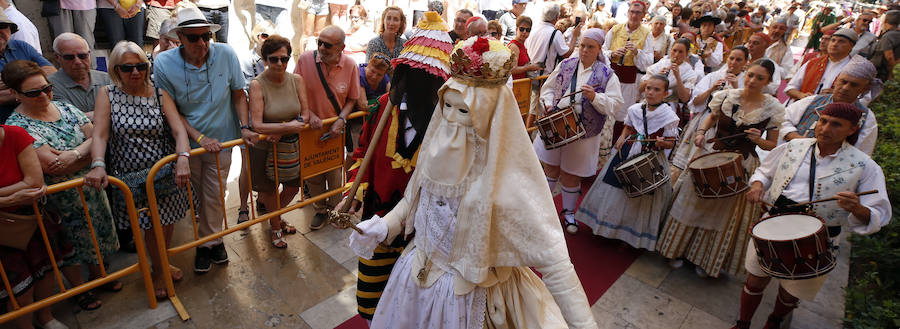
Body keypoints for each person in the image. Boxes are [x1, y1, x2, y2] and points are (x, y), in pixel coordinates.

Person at [349, 36, 598, 329]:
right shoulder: (436, 149)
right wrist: (384, 226)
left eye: (463, 111)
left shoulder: (510, 180)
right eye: (448, 107)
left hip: (468, 298)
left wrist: (584, 325)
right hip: (415, 277)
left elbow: (554, 262)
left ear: (490, 116)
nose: (451, 118)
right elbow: (413, 200)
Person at [734, 103, 892, 329]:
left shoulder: (865, 166)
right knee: (755, 279)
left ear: (852, 129)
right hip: (774, 222)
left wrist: (856, 208)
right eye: (823, 120)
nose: (825, 128)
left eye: (836, 124)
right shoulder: (793, 146)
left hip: (818, 238)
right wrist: (757, 186)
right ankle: (742, 323)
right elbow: (764, 171)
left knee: (791, 293)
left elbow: (879, 214)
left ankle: (774, 322)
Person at [340, 11, 451, 322]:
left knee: (409, 306)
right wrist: (355, 193)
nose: (420, 82)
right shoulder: (382, 108)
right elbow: (361, 153)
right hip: (376, 218)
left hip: (421, 232)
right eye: (412, 73)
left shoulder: (449, 120)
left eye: (429, 77)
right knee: (372, 302)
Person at [4, 60, 120, 311]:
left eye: (47, 88)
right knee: (70, 244)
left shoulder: (64, 107)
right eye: (34, 93)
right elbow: (53, 165)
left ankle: (100, 275)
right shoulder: (19, 126)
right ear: (15, 94)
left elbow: (98, 136)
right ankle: (80, 288)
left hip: (91, 186)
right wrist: (86, 152)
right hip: (61, 200)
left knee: (97, 232)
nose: (44, 95)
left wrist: (74, 155)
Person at [657, 59, 784, 278]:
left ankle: (704, 259)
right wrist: (700, 133)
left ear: (769, 81)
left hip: (741, 163)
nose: (752, 80)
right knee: (691, 201)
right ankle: (673, 250)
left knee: (721, 213)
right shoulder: (726, 96)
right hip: (710, 155)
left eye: (760, 78)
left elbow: (773, 144)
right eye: (751, 75)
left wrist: (759, 141)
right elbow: (711, 118)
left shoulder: (773, 108)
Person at [83, 41, 191, 298]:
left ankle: (161, 263)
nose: (135, 72)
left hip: (165, 171)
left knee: (166, 222)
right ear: (116, 70)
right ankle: (157, 270)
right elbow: (99, 135)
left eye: (141, 66)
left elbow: (178, 129)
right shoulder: (107, 95)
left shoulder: (159, 94)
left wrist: (183, 158)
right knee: (151, 226)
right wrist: (98, 164)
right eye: (127, 67)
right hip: (131, 176)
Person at [154, 7, 254, 274]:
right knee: (200, 196)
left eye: (205, 37)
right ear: (180, 39)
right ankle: (214, 239)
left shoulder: (226, 53)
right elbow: (170, 108)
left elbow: (238, 93)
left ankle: (207, 243)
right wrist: (198, 137)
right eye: (194, 38)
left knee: (213, 194)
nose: (201, 43)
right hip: (189, 139)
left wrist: (244, 126)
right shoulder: (163, 63)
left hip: (223, 138)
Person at [534, 29, 624, 234]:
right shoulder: (565, 64)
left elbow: (616, 104)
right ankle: (542, 211)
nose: (584, 50)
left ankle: (568, 213)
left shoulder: (607, 74)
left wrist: (595, 98)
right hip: (557, 126)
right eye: (582, 45)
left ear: (599, 49)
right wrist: (548, 104)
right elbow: (548, 89)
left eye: (590, 47)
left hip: (583, 134)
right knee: (550, 169)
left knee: (571, 174)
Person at [575, 74, 678, 250]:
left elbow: (671, 141)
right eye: (648, 88)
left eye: (656, 90)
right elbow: (628, 127)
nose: (651, 92)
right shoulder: (635, 109)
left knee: (641, 195)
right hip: (627, 152)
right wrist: (622, 137)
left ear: (666, 93)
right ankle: (607, 228)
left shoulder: (668, 116)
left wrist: (663, 143)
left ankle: (629, 235)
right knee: (615, 189)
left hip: (650, 158)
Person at [0, 124, 73, 329]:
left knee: (46, 271)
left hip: (31, 219)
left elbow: (34, 183)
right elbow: (25, 186)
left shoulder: (15, 134)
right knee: (19, 288)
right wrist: (11, 198)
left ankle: (46, 317)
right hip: (4, 232)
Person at [248, 35, 316, 248]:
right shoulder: (257, 85)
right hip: (265, 146)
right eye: (274, 59)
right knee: (268, 189)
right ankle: (276, 227)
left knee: (292, 187)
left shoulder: (296, 80)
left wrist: (281, 128)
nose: (279, 64)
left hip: (290, 145)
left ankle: (273, 218)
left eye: (284, 59)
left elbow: (305, 115)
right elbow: (257, 124)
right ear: (265, 59)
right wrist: (286, 127)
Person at [294, 25, 359, 230]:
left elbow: (352, 99)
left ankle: (335, 209)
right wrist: (310, 115)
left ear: (341, 47)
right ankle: (320, 209)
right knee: (313, 173)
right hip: (310, 129)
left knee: (334, 172)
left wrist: (341, 119)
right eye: (319, 42)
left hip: (335, 131)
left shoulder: (350, 65)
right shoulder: (305, 60)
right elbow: (296, 90)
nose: (321, 47)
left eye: (327, 45)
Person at [670, 46, 749, 181]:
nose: (733, 62)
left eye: (739, 60)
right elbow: (695, 102)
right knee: (687, 160)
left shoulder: (746, 82)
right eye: (731, 58)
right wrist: (712, 88)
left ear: (745, 62)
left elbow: (745, 111)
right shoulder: (713, 76)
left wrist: (736, 87)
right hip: (704, 120)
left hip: (727, 128)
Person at [780, 57, 881, 155]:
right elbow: (782, 119)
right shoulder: (813, 101)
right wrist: (797, 138)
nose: (845, 88)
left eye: (854, 85)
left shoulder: (866, 119)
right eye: (843, 82)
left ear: (865, 89)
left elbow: (861, 154)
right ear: (836, 80)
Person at [603, 0, 654, 138]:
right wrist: (612, 54)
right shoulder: (615, 29)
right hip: (611, 75)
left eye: (638, 13)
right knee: (606, 107)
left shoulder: (646, 33)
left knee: (622, 112)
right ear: (627, 12)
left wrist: (637, 52)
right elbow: (602, 51)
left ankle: (615, 147)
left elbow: (649, 62)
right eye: (632, 12)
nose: (634, 15)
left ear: (644, 15)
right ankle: (602, 143)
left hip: (629, 79)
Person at [0, 10, 56, 123]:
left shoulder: (21, 46)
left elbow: (52, 72)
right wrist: (35, 85)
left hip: (42, 115)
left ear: (10, 30)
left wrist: (16, 82)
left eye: (2, 26)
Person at [48, 33, 111, 119]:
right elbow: (68, 118)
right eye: (69, 57)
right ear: (57, 57)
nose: (77, 61)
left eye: (82, 56)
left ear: (89, 54)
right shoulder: (49, 86)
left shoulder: (107, 79)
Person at [785, 28, 856, 103]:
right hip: (801, 108)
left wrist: (839, 95)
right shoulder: (812, 63)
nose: (835, 44)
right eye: (833, 40)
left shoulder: (854, 69)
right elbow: (790, 88)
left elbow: (861, 99)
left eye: (841, 41)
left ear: (851, 46)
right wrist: (801, 95)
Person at [643, 38, 699, 127]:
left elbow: (685, 98)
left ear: (687, 54)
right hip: (649, 104)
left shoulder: (689, 72)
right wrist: (656, 77)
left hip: (669, 108)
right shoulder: (661, 63)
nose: (676, 54)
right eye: (674, 50)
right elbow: (641, 88)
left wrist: (678, 77)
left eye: (681, 52)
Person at [507, 15, 542, 80]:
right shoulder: (514, 46)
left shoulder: (522, 45)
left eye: (527, 30)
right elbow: (512, 70)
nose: (524, 32)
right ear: (516, 29)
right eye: (522, 29)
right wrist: (529, 67)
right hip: (516, 85)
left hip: (522, 85)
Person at [870, 10, 900, 81]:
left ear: (885, 21)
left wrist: (890, 75)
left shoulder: (888, 36)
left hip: (882, 74)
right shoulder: (896, 34)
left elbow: (889, 57)